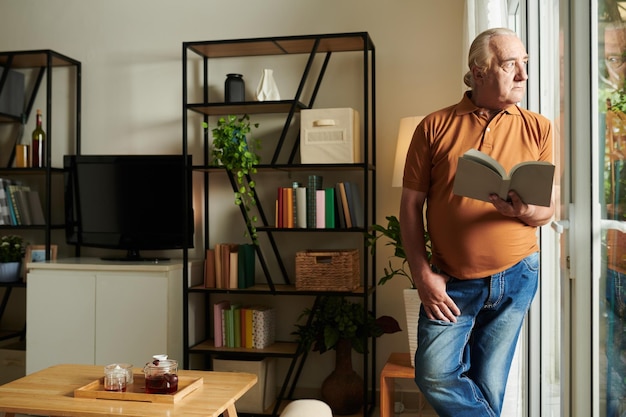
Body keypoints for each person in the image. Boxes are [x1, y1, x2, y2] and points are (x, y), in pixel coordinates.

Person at [399, 27, 555, 417]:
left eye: (525, 64)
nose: (523, 75)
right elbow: (409, 205)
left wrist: (522, 211)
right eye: (510, 65)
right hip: (451, 280)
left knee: (488, 385)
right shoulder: (433, 126)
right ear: (479, 71)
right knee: (433, 373)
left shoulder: (539, 127)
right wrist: (422, 275)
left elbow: (548, 210)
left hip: (518, 275)